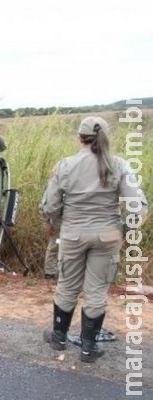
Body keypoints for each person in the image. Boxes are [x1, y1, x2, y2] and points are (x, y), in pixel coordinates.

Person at [40, 116, 148, 363]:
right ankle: (88, 347)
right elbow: (137, 206)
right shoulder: (119, 165)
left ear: (80, 138)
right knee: (97, 290)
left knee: (67, 285)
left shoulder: (65, 166)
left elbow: (50, 206)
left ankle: (58, 337)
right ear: (106, 137)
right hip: (108, 235)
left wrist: (57, 224)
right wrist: (124, 228)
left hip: (73, 234)